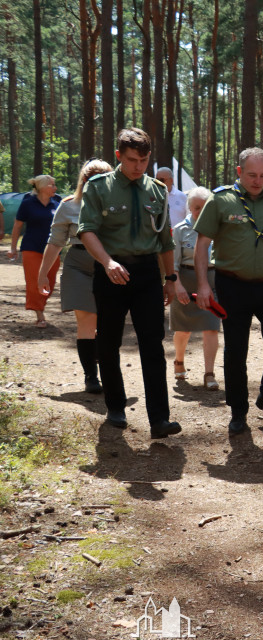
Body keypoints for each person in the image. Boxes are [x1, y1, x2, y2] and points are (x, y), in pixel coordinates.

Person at [77, 127, 181, 439]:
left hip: (147, 274)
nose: (139, 166)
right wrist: (107, 261)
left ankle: (159, 419)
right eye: (133, 160)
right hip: (111, 273)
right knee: (108, 342)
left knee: (153, 344)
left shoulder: (158, 191)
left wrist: (171, 279)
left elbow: (165, 241)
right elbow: (86, 230)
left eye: (145, 160)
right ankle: (115, 406)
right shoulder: (99, 187)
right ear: (119, 156)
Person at [194, 148, 263, 436]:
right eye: (251, 175)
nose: (257, 181)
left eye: (262, 175)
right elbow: (202, 245)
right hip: (232, 284)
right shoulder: (220, 200)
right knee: (236, 350)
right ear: (239, 172)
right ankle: (238, 411)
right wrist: (202, 285)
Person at [37, 159, 114, 393]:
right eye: (92, 181)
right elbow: (55, 242)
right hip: (78, 266)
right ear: (84, 181)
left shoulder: (119, 206)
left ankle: (98, 353)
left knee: (108, 323)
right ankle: (91, 377)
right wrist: (42, 275)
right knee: (87, 321)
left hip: (108, 267)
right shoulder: (69, 205)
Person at [170, 187, 220, 391]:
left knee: (211, 326)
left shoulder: (219, 229)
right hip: (186, 280)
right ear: (189, 208)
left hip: (212, 280)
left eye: (205, 207)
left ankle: (209, 373)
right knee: (183, 329)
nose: (201, 211)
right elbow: (172, 263)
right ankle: (179, 360)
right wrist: (178, 286)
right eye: (197, 207)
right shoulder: (181, 230)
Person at [9, 175, 62, 328]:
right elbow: (17, 226)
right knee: (34, 282)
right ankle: (39, 313)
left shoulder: (57, 203)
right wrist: (13, 247)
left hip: (52, 248)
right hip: (31, 247)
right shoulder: (27, 204)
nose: (55, 188)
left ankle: (40, 306)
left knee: (50, 281)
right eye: (52, 185)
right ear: (42, 187)